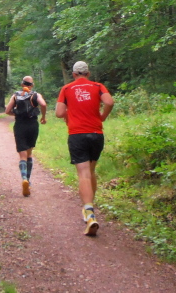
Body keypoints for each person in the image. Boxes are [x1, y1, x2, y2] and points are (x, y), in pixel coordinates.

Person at [55, 61, 114, 236]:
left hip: (77, 135)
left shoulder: (67, 89)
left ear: (74, 74)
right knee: (91, 171)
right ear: (88, 73)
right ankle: (90, 208)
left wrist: (69, 113)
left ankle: (89, 214)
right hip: (96, 134)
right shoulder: (98, 86)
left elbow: (59, 113)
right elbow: (109, 102)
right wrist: (102, 116)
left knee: (84, 174)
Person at [4, 76, 47, 197]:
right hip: (32, 125)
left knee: (22, 156)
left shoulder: (15, 95)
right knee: (29, 153)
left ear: (22, 84)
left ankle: (24, 179)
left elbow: (7, 111)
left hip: (20, 125)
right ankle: (28, 179)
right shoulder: (36, 95)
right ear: (32, 85)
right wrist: (43, 117)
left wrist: (17, 114)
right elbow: (43, 104)